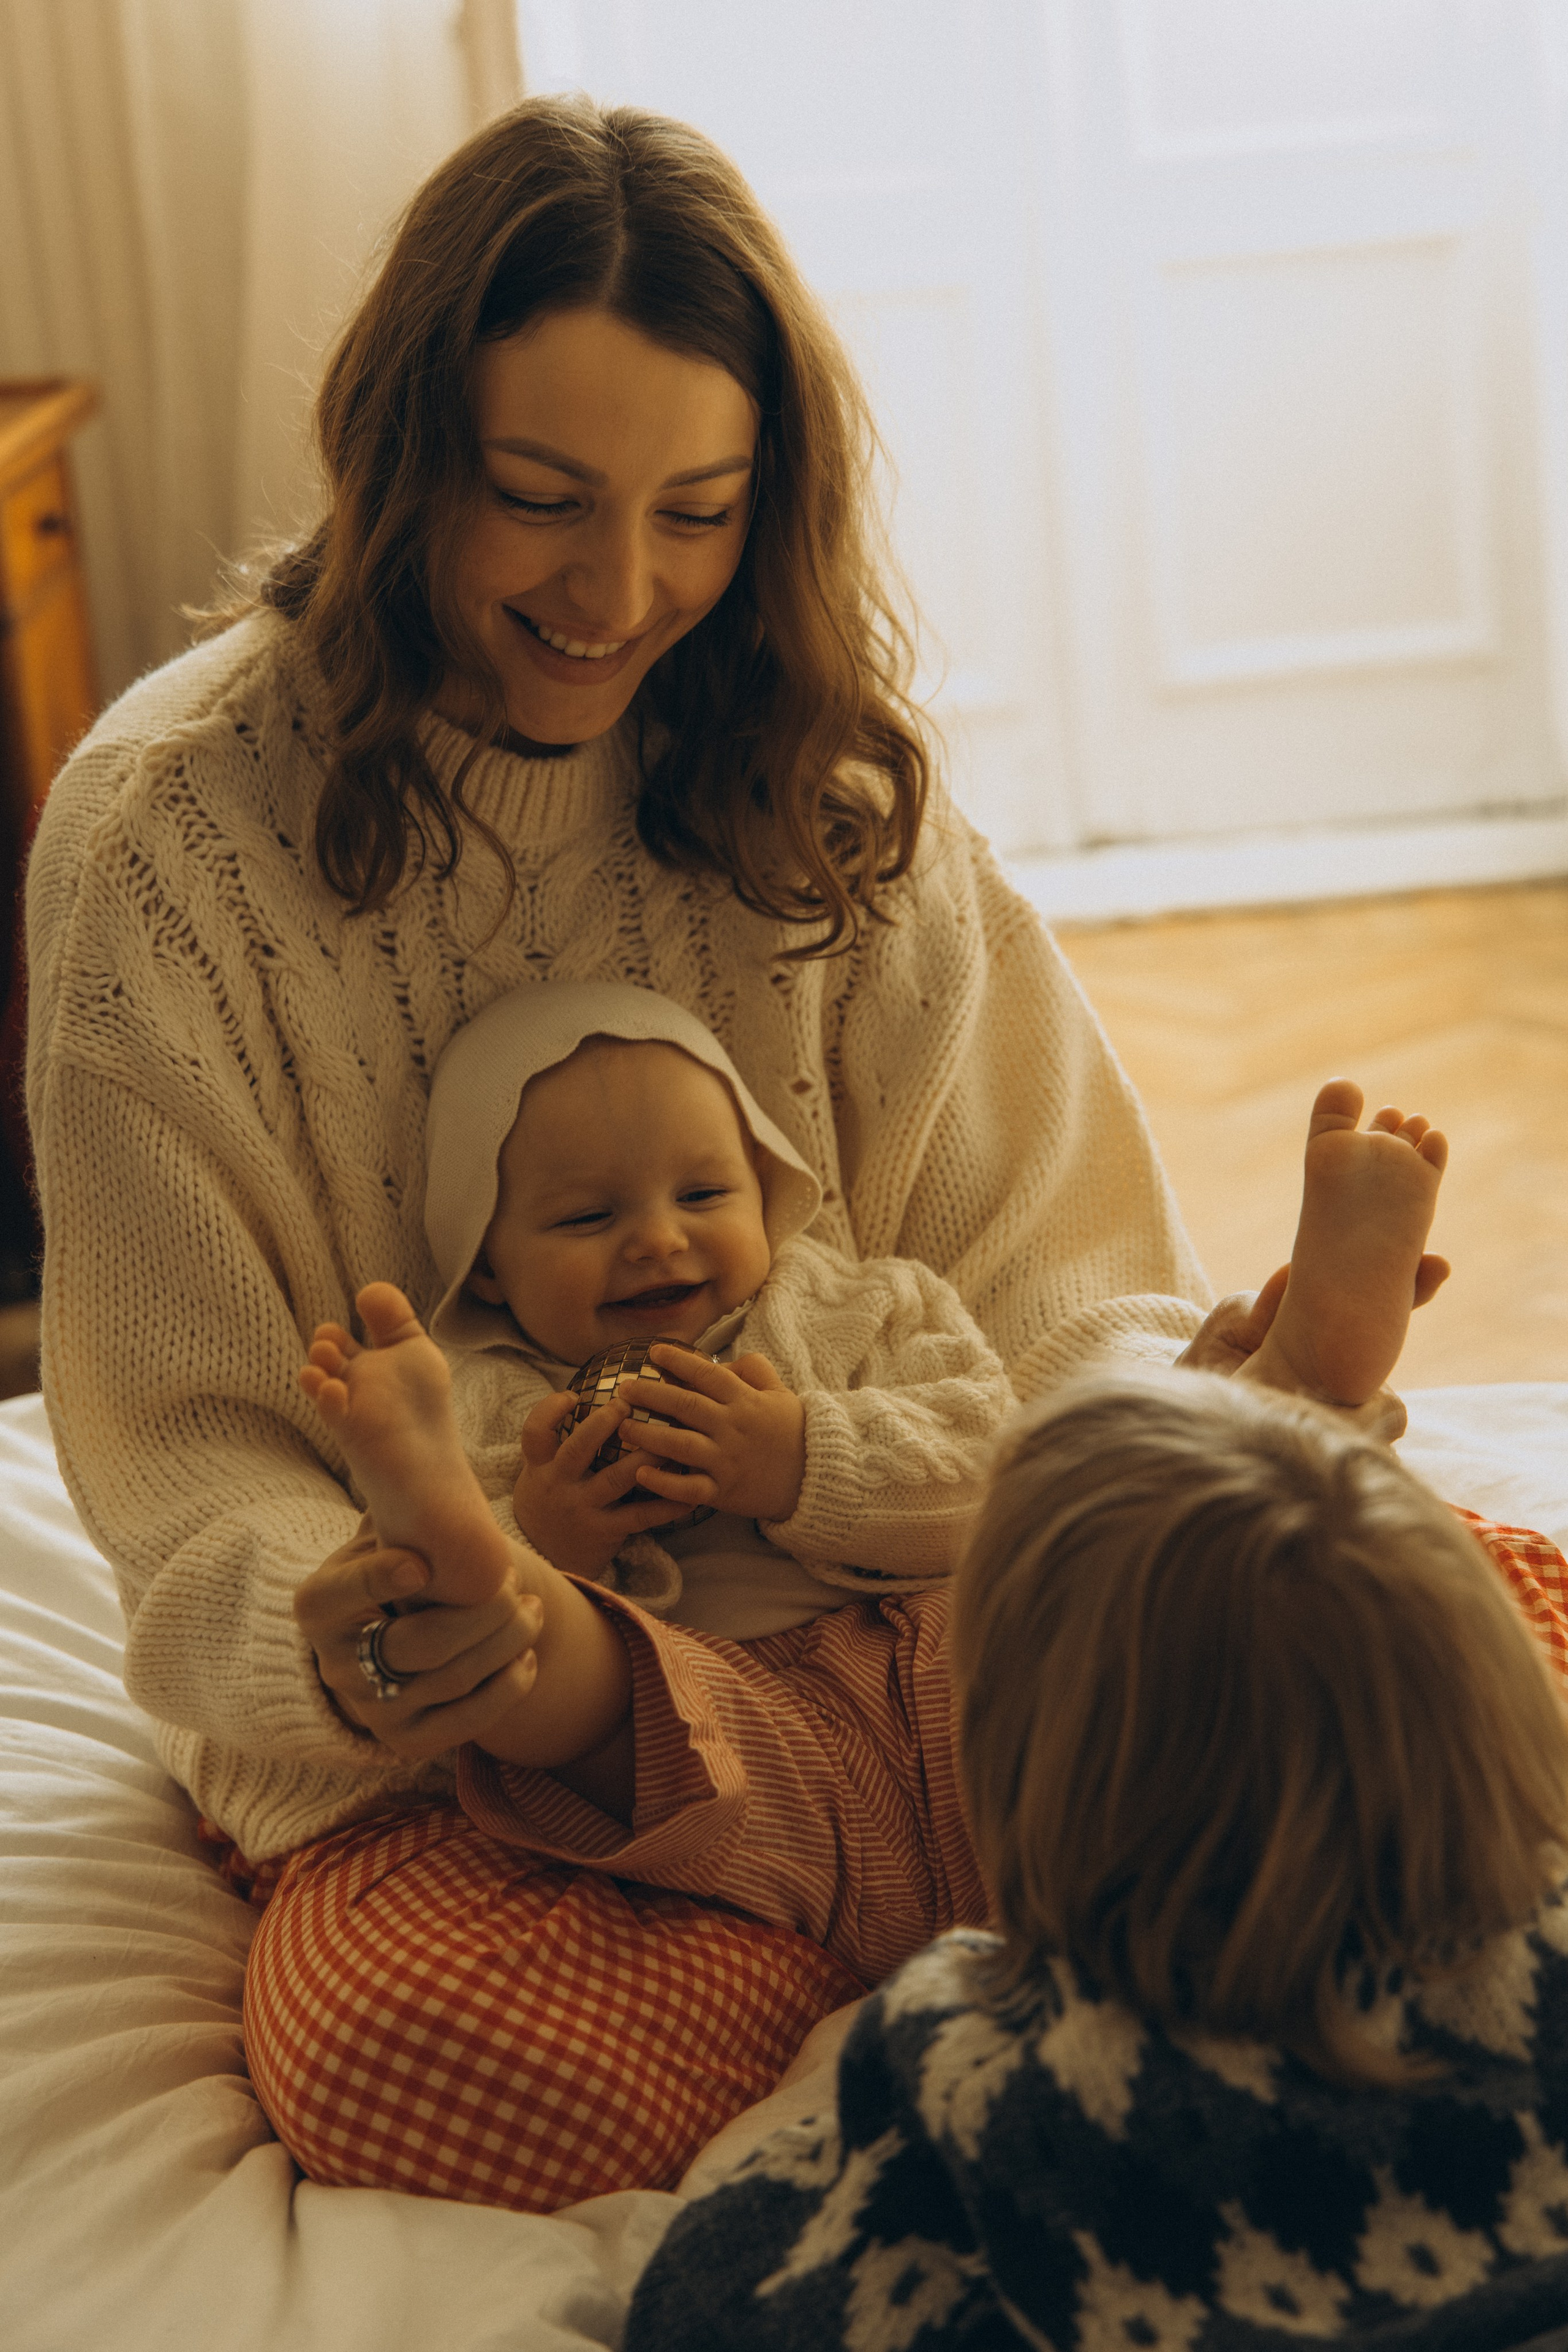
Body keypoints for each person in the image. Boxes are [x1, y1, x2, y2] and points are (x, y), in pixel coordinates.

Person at [18, 92, 1371, 2209]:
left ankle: (927, 2010)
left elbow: (1063, 1286)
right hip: (493, 1766)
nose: (620, 592)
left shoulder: (812, 776)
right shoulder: (164, 848)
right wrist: (381, 1619)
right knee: (408, 2055)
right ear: (397, 463)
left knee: (1471, 1649)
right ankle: (1035, 2007)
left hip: (924, 1650)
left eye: (702, 512)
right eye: (539, 499)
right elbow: (189, 1483)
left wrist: (1170, 1514)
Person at [624, 1156, 1568, 2352]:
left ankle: (1272, 1387)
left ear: (1025, 1794)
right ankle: (1289, 1396)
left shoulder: (992, 2074)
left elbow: (717, 2308)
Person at [414, 977, 1017, 1634]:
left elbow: (1000, 1475)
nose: (659, 1241)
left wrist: (803, 1461)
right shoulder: (469, 1402)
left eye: (701, 1195)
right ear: (484, 1268)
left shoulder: (864, 1307)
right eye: (587, 1217)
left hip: (923, 1648)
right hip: (685, 1708)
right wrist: (545, 1537)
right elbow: (429, 1598)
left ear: (761, 1187)